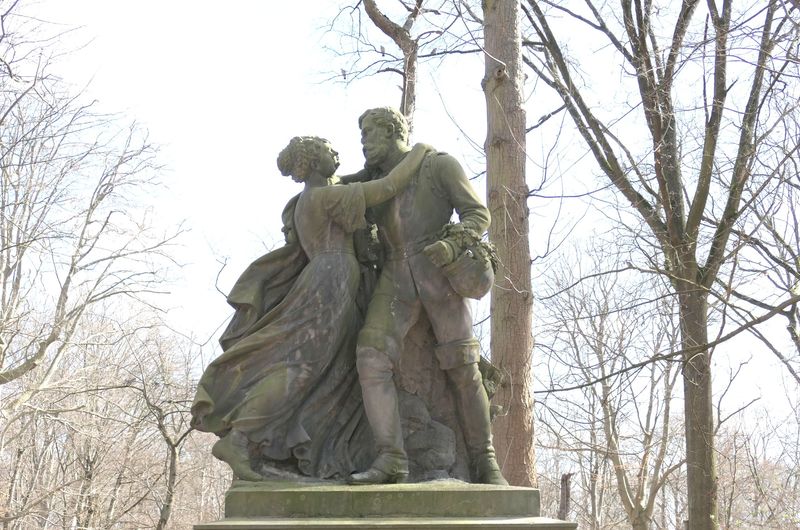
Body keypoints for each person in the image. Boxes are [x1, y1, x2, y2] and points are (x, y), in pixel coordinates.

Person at [191, 136, 430, 481]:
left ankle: (260, 439)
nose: (337, 154)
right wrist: (420, 151)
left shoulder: (313, 197)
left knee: (323, 369)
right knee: (301, 368)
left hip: (332, 278)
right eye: (329, 151)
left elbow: (355, 180)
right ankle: (240, 438)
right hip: (330, 281)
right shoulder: (324, 197)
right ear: (316, 161)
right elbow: (389, 186)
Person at [347, 107, 508, 486]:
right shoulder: (373, 179)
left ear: (391, 130)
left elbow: (477, 214)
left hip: (439, 274)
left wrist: (451, 246)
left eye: (369, 133)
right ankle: (391, 458)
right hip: (395, 277)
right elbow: (339, 190)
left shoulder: (439, 165)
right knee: (370, 357)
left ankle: (485, 461)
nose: (363, 142)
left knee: (463, 367)